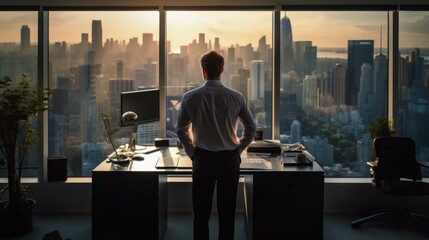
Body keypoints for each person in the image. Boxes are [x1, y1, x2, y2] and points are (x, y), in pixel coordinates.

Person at [177, 50, 257, 240]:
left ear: (202, 71)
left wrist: (193, 154)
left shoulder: (190, 97)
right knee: (227, 213)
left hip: (202, 159)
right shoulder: (236, 97)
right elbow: (251, 128)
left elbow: (181, 130)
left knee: (201, 214)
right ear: (222, 70)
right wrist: (238, 150)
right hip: (229, 160)